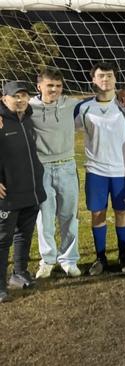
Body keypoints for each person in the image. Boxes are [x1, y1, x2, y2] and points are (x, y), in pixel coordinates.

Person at [74, 62, 125, 275]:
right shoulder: (83, 108)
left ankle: (123, 256)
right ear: (93, 80)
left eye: (109, 76)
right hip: (96, 171)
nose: (105, 79)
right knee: (98, 213)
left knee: (121, 212)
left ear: (115, 79)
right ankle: (100, 258)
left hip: (122, 171)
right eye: (101, 76)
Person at [30, 68, 82, 278]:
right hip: (41, 168)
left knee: (69, 215)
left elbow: (99, 99)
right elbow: (8, 105)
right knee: (45, 216)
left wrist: (121, 95)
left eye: (58, 86)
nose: (54, 90)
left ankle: (69, 260)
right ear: (39, 86)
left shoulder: (71, 103)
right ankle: (48, 260)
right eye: (50, 85)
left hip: (67, 166)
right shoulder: (28, 106)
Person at [0, 81, 46, 302]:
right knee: (2, 240)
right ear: (4, 98)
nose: (20, 100)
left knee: (24, 235)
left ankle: (19, 273)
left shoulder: (28, 117)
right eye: (14, 96)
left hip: (31, 191)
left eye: (23, 96)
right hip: (7, 195)